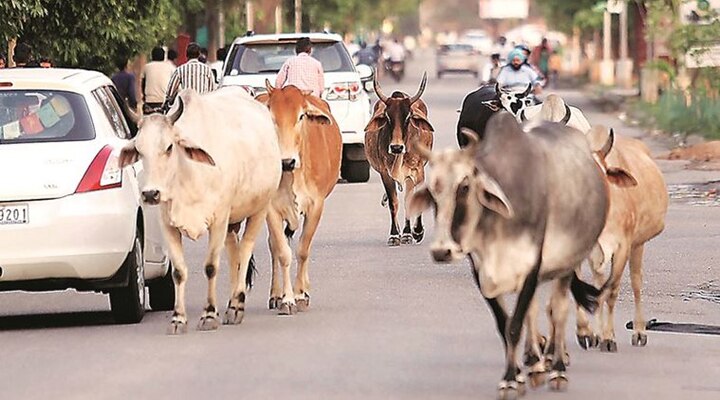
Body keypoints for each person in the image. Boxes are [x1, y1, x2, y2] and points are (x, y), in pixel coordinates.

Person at [162, 42, 217, 110]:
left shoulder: (180, 69)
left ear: (186, 55)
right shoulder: (207, 69)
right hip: (203, 107)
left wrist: (167, 101)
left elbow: (170, 91)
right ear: (199, 55)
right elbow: (212, 91)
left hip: (186, 107)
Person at [141, 46, 176, 114]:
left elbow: (143, 83)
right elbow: (174, 87)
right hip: (164, 102)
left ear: (152, 56)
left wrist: (145, 97)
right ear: (163, 56)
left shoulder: (147, 67)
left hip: (149, 102)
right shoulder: (170, 67)